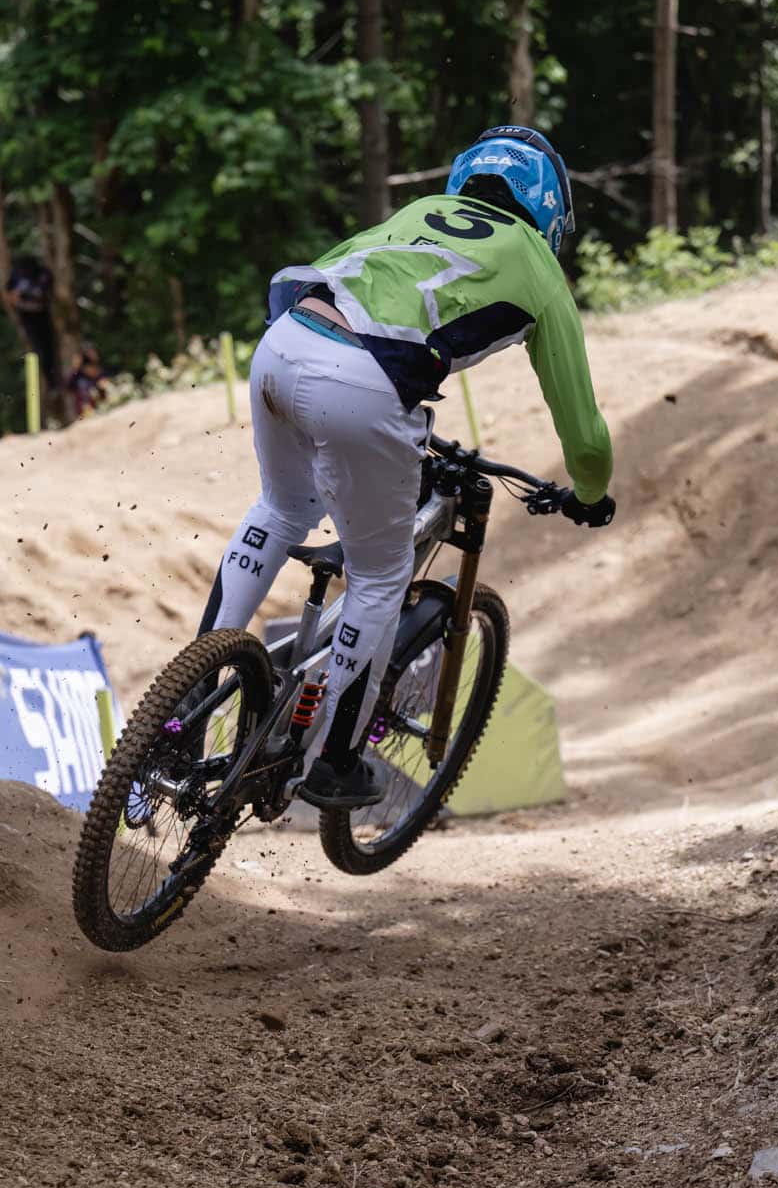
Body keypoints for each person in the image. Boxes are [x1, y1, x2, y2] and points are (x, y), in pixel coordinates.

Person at [196, 126, 616, 809]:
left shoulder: (418, 212)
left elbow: (319, 274)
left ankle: (186, 702)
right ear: (549, 208)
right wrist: (591, 494)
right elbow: (585, 432)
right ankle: (334, 759)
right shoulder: (535, 262)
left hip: (284, 343)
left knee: (282, 507)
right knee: (381, 573)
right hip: (364, 386)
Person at [3, 254, 59, 398]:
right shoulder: (16, 276)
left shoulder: (43, 273)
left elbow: (45, 295)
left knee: (50, 349)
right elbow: (10, 295)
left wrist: (31, 301)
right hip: (28, 320)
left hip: (44, 316)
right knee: (39, 351)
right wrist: (23, 304)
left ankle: (55, 382)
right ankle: (51, 384)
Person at [65, 345, 109, 419]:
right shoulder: (78, 376)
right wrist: (75, 368)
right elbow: (67, 387)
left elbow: (106, 395)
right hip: (83, 414)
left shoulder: (100, 375)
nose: (90, 370)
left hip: (101, 411)